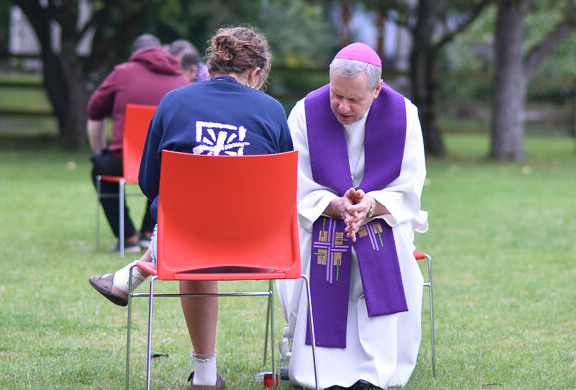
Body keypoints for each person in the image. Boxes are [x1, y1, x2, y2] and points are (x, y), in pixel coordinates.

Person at [89, 26, 292, 390]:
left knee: (194, 230)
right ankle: (205, 372)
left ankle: (201, 369)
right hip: (262, 246)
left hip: (187, 244)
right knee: (203, 228)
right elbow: (284, 193)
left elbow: (149, 185)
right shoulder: (273, 111)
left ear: (210, 65)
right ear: (257, 73)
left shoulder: (173, 102)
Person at [276, 42, 428, 389]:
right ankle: (321, 368)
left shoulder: (404, 114)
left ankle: (378, 368)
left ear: (376, 89)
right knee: (317, 254)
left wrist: (369, 207)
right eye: (336, 95)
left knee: (387, 254)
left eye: (354, 99)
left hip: (382, 220)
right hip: (318, 219)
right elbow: (292, 183)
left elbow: (409, 186)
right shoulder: (305, 112)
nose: (342, 107)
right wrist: (337, 206)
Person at [87, 33, 188, 252]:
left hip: (123, 159)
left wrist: (100, 152)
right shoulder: (181, 80)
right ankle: (147, 232)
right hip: (167, 162)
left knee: (100, 168)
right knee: (160, 176)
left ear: (135, 54)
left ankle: (127, 237)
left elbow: (94, 111)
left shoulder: (122, 73)